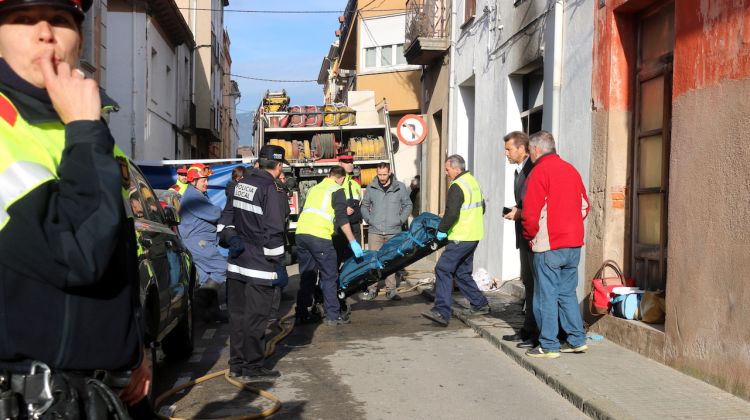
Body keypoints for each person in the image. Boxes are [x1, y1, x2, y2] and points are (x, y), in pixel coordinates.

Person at [0, 0, 150, 416]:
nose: (45, 33)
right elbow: (76, 254)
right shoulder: (76, 126)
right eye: (24, 19)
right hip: (30, 401)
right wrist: (84, 130)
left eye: (61, 21)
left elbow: (117, 249)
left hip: (98, 395)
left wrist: (134, 348)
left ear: (79, 39)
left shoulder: (82, 124)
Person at [219, 145, 290, 380]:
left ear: (259, 162)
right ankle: (253, 367)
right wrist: (278, 263)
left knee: (238, 316)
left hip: (237, 262)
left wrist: (230, 237)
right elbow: (274, 230)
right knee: (256, 318)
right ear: (279, 167)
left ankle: (236, 364)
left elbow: (226, 218)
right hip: (260, 265)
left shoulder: (241, 184)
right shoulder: (274, 190)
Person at [522, 131, 590, 359]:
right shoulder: (571, 170)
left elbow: (530, 213)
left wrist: (530, 235)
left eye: (530, 151)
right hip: (573, 244)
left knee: (545, 295)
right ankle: (577, 340)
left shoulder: (539, 172)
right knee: (567, 293)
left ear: (535, 150)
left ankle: (548, 345)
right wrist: (569, 227)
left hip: (549, 244)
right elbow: (584, 206)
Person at [422, 155, 490, 326]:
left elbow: (452, 213)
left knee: (443, 269)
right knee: (461, 272)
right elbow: (482, 208)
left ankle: (441, 311)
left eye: (447, 169)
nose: (446, 173)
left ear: (456, 169)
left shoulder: (457, 186)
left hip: (461, 237)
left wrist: (441, 231)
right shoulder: (472, 182)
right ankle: (479, 304)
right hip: (474, 235)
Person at [295, 166, 363, 326]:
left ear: (328, 175)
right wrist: (353, 241)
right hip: (319, 237)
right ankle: (333, 315)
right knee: (329, 275)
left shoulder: (314, 189)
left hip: (301, 234)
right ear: (342, 179)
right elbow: (342, 218)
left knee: (308, 275)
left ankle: (301, 314)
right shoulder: (337, 190)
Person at [501, 131, 539, 349]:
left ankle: (534, 332)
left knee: (534, 284)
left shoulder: (532, 169)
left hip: (533, 236)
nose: (506, 153)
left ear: (522, 148)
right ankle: (527, 329)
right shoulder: (519, 170)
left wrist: (520, 212)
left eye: (509, 149)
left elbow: (534, 204)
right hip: (524, 234)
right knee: (528, 282)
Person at [179, 163, 228, 323]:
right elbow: (214, 213)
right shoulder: (193, 198)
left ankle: (211, 313)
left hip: (200, 242)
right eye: (203, 180)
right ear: (193, 181)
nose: (206, 183)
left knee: (206, 278)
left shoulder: (198, 195)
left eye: (206, 179)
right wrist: (227, 211)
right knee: (220, 268)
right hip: (198, 243)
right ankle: (198, 304)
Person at [360, 162, 412, 301]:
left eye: (384, 174)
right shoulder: (371, 187)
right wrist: (370, 220)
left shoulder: (399, 187)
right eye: (379, 174)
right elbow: (364, 206)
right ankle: (372, 289)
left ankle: (391, 290)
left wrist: (400, 220)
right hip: (375, 231)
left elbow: (408, 205)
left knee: (391, 261)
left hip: (393, 231)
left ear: (389, 172)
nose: (381, 177)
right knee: (373, 261)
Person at [332, 152, 362, 264]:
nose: (350, 164)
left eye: (351, 162)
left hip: (354, 226)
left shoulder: (355, 183)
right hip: (339, 227)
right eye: (346, 162)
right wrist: (342, 210)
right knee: (336, 259)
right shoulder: (334, 182)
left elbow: (360, 201)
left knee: (354, 260)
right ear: (340, 163)